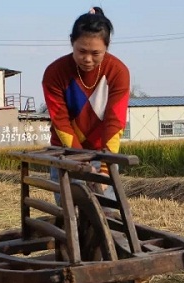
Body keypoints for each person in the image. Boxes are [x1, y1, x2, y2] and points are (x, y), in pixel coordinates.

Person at [42, 6, 130, 202]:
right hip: (65, 153)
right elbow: (61, 122)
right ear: (71, 42)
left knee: (109, 216)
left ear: (106, 47)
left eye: (96, 53)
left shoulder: (118, 72)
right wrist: (81, 162)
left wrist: (105, 169)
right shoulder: (55, 73)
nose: (88, 59)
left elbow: (114, 121)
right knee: (72, 217)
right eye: (81, 51)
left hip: (102, 154)